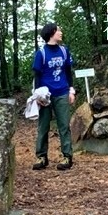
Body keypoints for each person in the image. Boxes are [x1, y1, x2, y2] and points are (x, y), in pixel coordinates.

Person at [31, 23, 76, 171]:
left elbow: (68, 72)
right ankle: (41, 157)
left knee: (64, 125)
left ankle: (67, 157)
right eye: (58, 30)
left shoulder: (64, 51)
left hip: (62, 92)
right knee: (43, 127)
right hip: (46, 95)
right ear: (51, 33)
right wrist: (37, 96)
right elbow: (37, 76)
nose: (61, 32)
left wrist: (71, 90)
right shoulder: (41, 53)